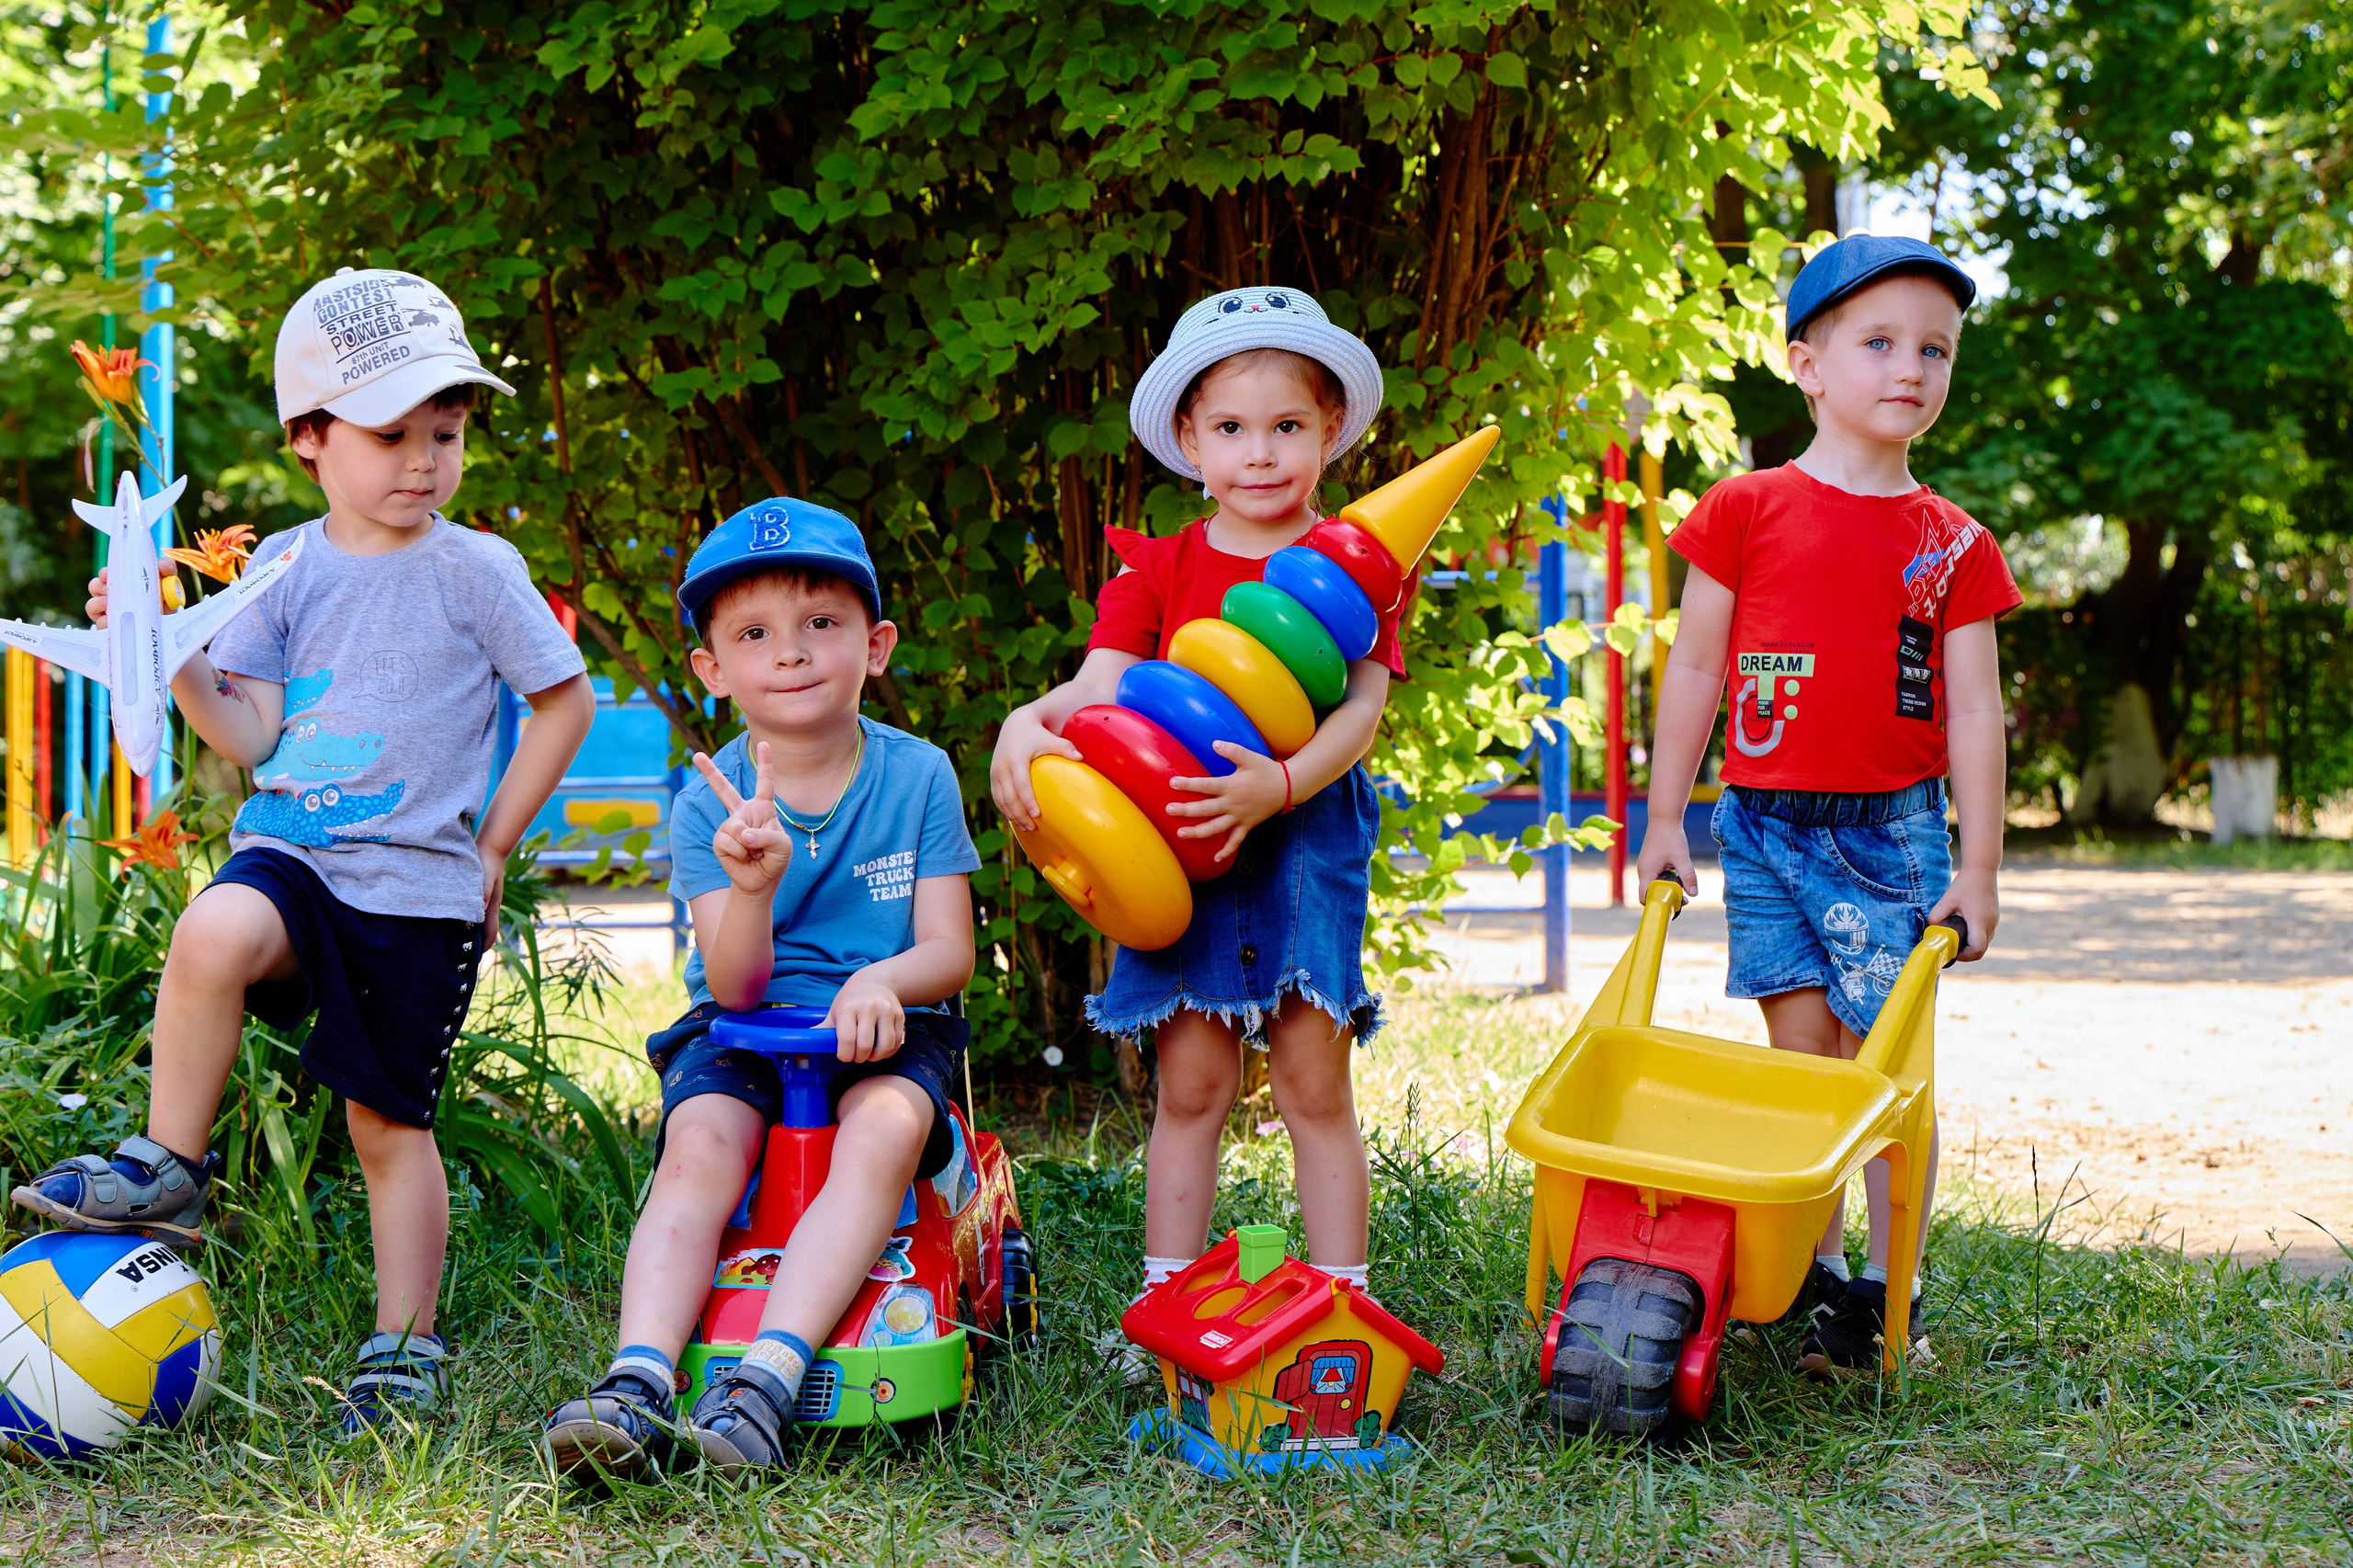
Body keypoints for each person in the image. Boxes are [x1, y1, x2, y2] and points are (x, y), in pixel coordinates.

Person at [11, 267, 597, 1428]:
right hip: (294, 855)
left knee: (388, 1125)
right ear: (310, 439)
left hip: (415, 890)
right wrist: (170, 647)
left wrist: (489, 845)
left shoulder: (477, 569)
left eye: (448, 429)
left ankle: (404, 1342)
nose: (425, 459)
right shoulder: (282, 567)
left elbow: (564, 700)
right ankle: (172, 1161)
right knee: (215, 922)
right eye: (393, 434)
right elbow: (252, 732)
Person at [990, 286, 1404, 1353]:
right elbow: (1097, 685)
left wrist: (1283, 782)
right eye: (1230, 427)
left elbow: (1362, 703)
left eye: (1286, 427)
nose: (1258, 454)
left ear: (1328, 433)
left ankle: (1342, 1308)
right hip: (1178, 839)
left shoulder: (1356, 562)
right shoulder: (1161, 566)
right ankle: (1160, 1307)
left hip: (1302, 836)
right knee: (1192, 1082)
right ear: (1188, 438)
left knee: (1315, 1075)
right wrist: (1017, 724)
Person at [1636, 234, 2021, 1373]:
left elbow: (1975, 716)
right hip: (1758, 825)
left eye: (1934, 349)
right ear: (1804, 364)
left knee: (1883, 1074)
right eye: (1879, 342)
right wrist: (1666, 818)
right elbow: (1696, 671)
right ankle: (1820, 1283)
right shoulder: (1745, 509)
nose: (1911, 367)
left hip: (1887, 835)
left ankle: (1888, 1298)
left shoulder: (1951, 543)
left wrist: (1982, 866)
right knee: (1799, 1058)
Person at [542, 499, 978, 1476]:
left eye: (820, 624)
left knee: (882, 1129)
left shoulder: (919, 776)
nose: (790, 652)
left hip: (890, 1017)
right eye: (753, 634)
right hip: (747, 1023)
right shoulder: (710, 798)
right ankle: (637, 1379)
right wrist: (752, 883)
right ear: (712, 669)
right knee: (698, 1147)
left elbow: (950, 949)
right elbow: (733, 982)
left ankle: (764, 1383)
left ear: (874, 645)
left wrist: (882, 977)